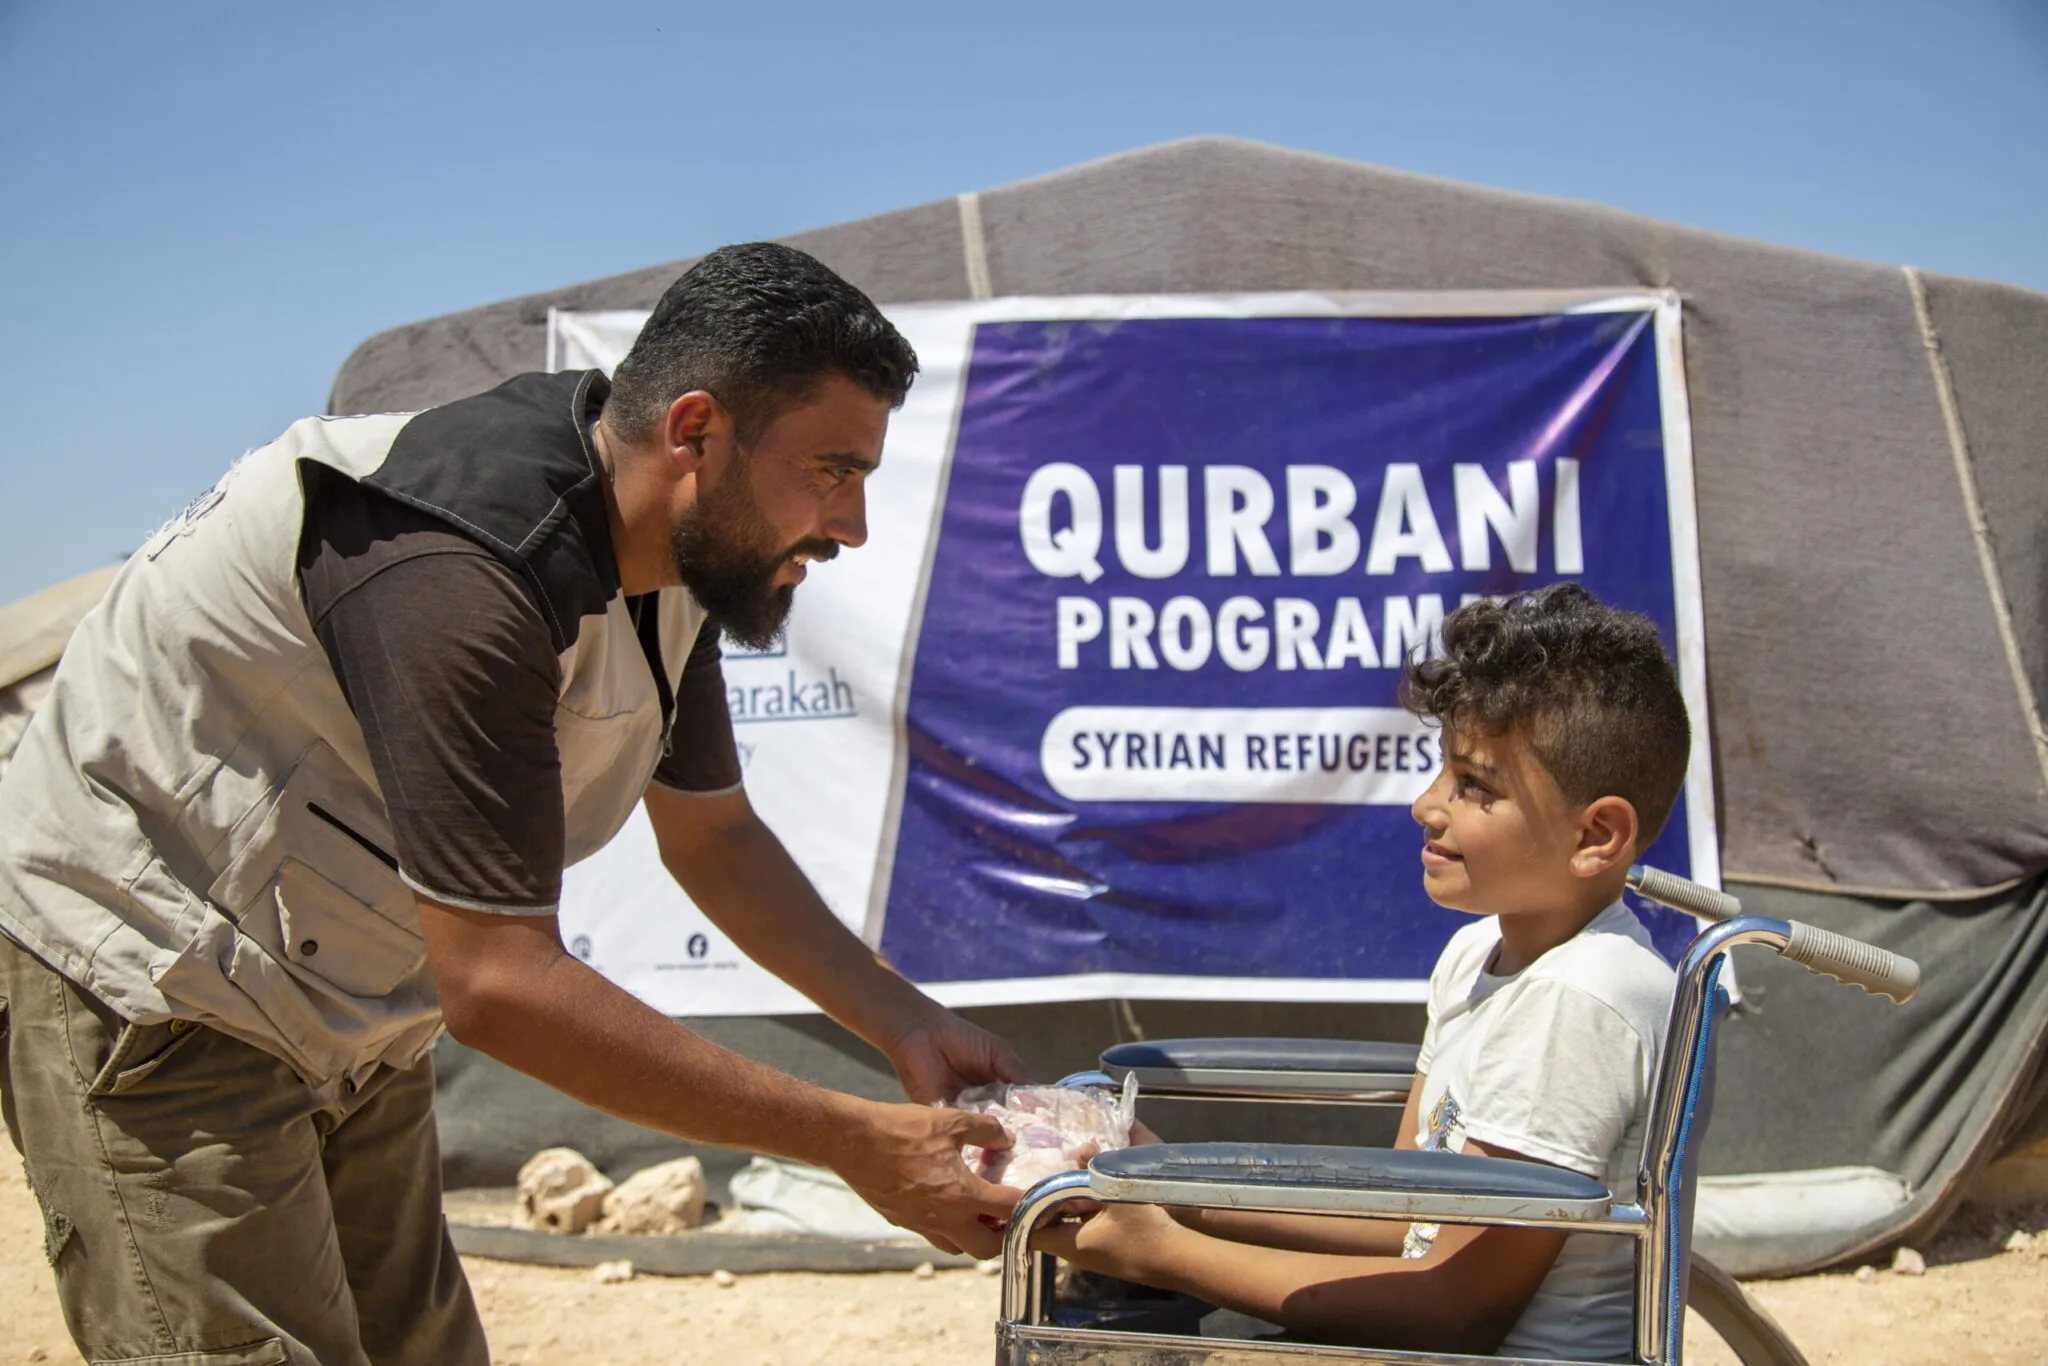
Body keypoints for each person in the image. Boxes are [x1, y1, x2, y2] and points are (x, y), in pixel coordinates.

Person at [0, 242, 1028, 1366]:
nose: (851, 525)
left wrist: (908, 1023)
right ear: (693, 431)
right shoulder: (451, 566)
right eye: (831, 470)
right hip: (158, 987)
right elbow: (499, 984)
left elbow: (716, 839)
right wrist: (853, 1140)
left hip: (348, 1007)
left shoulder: (663, 564)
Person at [1037, 584, 1691, 1361]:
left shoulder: (1579, 997)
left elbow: (1456, 1310)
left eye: (1474, 785)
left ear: (1598, 834)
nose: (1425, 805)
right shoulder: (1476, 956)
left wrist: (1162, 1250)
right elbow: (1403, 1215)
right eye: (1442, 773)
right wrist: (1172, 1191)